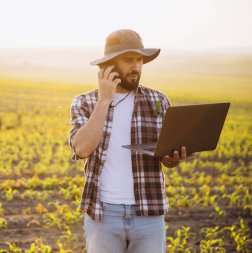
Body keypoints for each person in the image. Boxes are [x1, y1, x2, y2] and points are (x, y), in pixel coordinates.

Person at [68, 29, 192, 253]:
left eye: (139, 60)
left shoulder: (158, 100)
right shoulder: (84, 102)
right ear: (109, 66)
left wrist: (173, 158)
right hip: (102, 215)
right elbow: (83, 148)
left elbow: (167, 154)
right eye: (128, 60)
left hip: (149, 214)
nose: (136, 66)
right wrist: (105, 98)